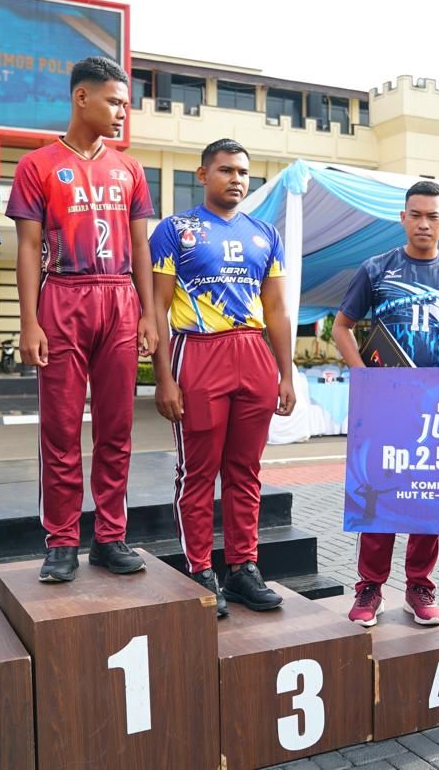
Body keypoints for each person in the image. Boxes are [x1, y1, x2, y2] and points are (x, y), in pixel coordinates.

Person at [8, 57, 158, 583]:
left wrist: (146, 312)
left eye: (125, 102)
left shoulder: (130, 169)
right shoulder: (38, 166)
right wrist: (29, 320)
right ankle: (62, 541)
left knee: (117, 427)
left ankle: (110, 537)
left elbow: (140, 245)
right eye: (115, 101)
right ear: (82, 99)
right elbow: (27, 249)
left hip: (118, 297)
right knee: (61, 428)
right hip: (63, 296)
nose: (123, 111)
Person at [150, 138, 296, 617]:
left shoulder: (264, 234)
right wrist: (163, 378)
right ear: (203, 174)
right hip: (199, 351)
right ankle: (198, 569)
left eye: (242, 172)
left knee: (245, 471)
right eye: (226, 170)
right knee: (198, 470)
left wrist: (286, 375)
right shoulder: (176, 230)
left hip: (254, 354)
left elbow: (275, 307)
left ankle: (242, 568)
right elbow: (155, 306)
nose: (236, 179)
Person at [332, 180, 439, 627]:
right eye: (415, 214)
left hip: (436, 408)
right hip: (384, 407)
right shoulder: (376, 269)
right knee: (378, 497)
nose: (423, 223)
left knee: (428, 500)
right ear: (402, 217)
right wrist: (363, 375)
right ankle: (369, 587)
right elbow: (343, 327)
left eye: (432, 216)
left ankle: (419, 585)